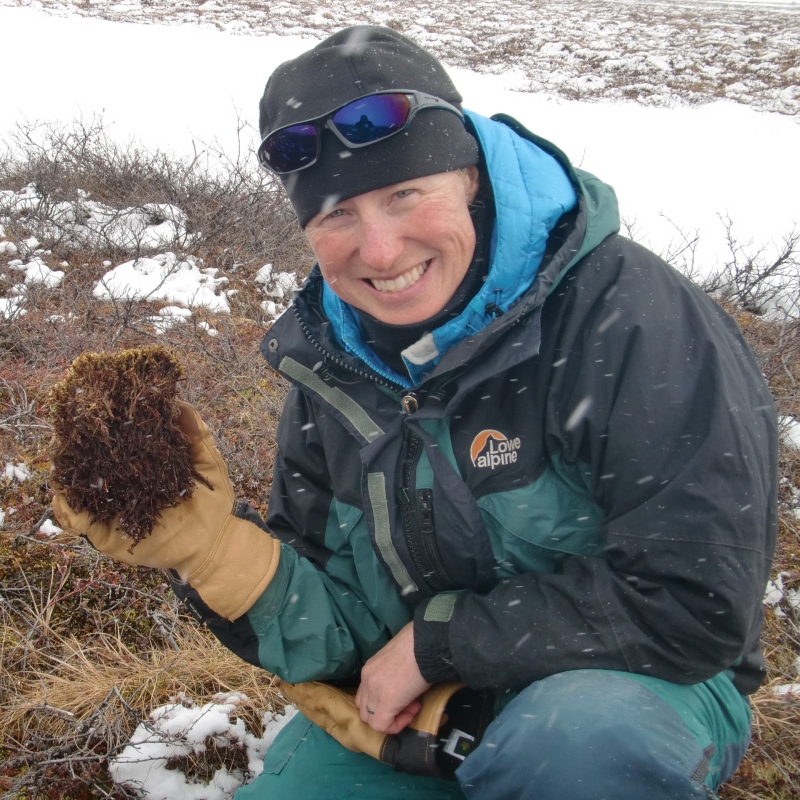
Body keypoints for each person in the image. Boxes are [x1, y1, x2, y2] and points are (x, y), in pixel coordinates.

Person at [53, 25, 779, 800]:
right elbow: (345, 632)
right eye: (337, 216)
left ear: (470, 177)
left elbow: (694, 605)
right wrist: (214, 554)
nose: (380, 250)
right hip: (434, 712)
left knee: (572, 747)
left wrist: (440, 644)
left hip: (642, 686)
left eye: (404, 195)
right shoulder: (331, 370)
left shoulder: (628, 320)